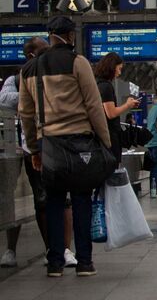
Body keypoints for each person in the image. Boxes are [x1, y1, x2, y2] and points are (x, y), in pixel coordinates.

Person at [18, 16, 111, 277]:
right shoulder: (78, 62)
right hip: (80, 142)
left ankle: (55, 263)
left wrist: (34, 149)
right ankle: (84, 262)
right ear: (70, 35)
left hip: (49, 144)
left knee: (54, 202)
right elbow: (93, 105)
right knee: (81, 200)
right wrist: (105, 140)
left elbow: (26, 113)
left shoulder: (28, 69)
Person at [0, 37, 79, 269]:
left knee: (62, 198)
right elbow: (4, 100)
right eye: (43, 51)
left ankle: (63, 249)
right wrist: (34, 91)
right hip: (25, 148)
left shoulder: (57, 72)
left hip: (57, 143)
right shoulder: (16, 78)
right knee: (32, 200)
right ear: (30, 56)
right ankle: (19, 249)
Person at [94, 52, 140, 165]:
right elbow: (111, 113)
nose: (119, 73)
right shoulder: (106, 86)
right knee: (112, 169)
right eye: (119, 69)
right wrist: (127, 105)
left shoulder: (97, 84)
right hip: (110, 136)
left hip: (102, 135)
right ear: (111, 67)